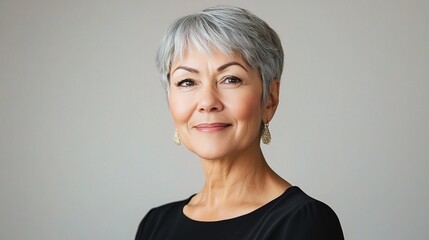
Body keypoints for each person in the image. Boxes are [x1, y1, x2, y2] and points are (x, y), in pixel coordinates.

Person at [136, 5, 344, 240]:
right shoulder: (155, 225)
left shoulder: (302, 223)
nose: (207, 102)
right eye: (187, 82)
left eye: (230, 79)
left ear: (270, 99)